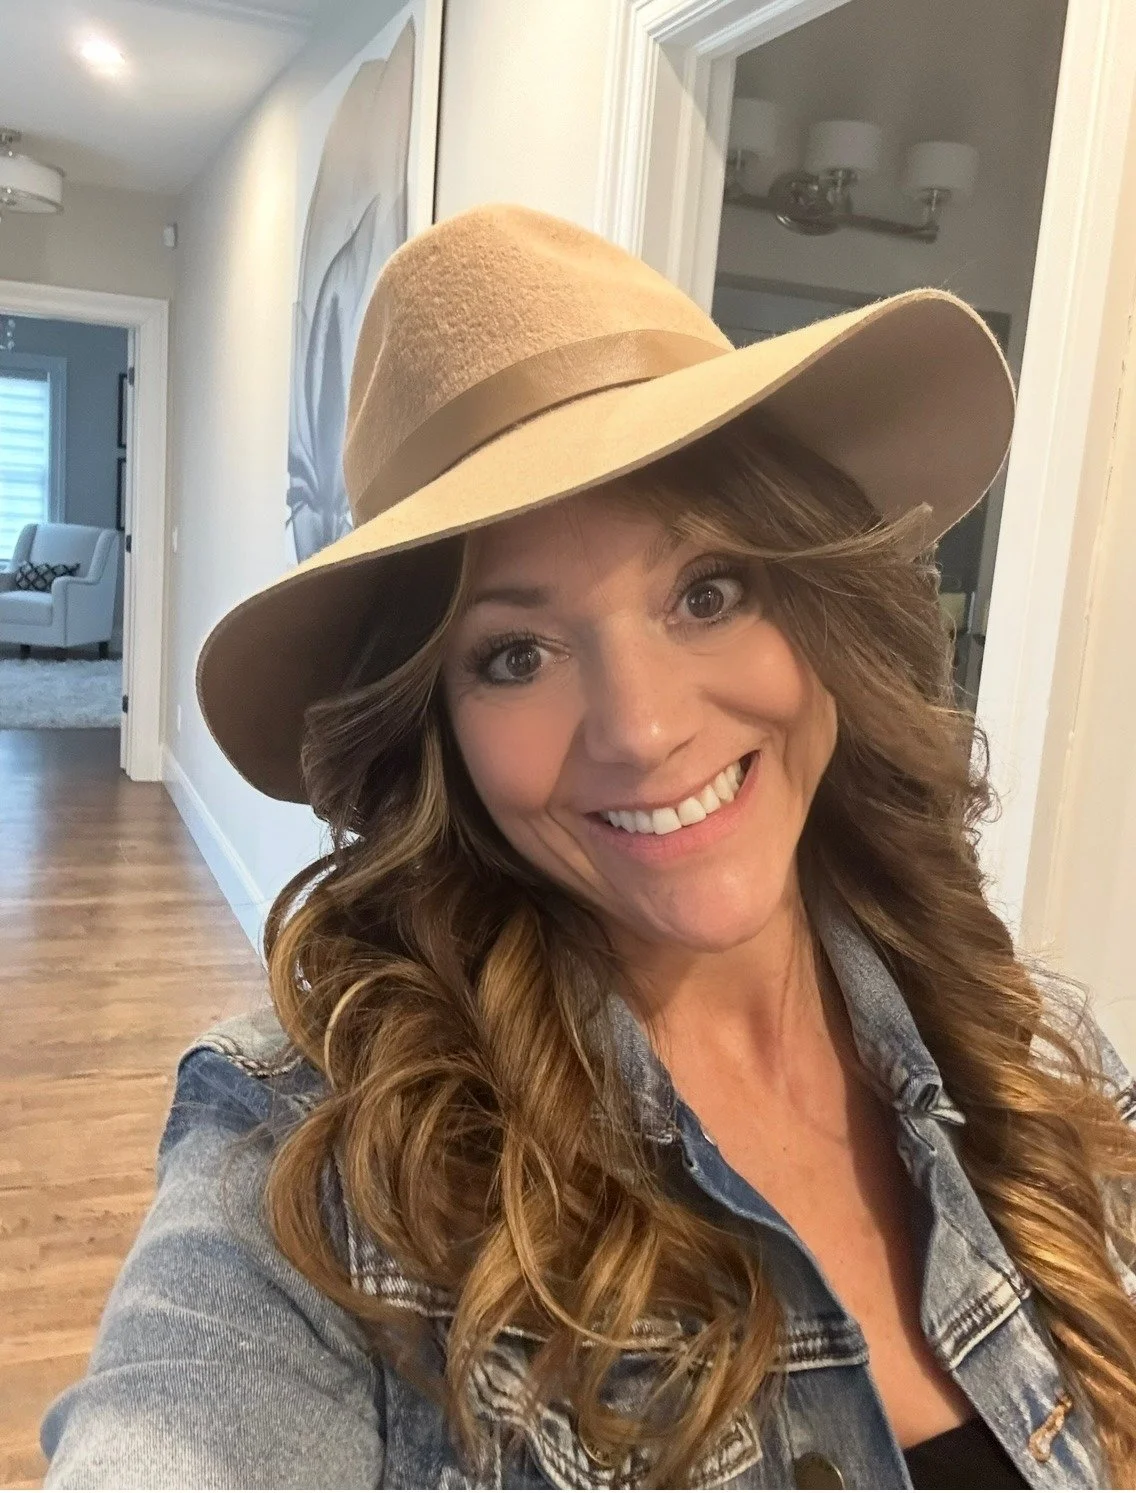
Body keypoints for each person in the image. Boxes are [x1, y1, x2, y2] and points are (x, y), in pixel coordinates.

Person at [41, 204, 1136, 1490]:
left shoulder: (997, 1035)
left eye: (707, 591)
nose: (643, 728)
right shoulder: (317, 1172)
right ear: (434, 721)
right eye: (517, 654)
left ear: (819, 600)